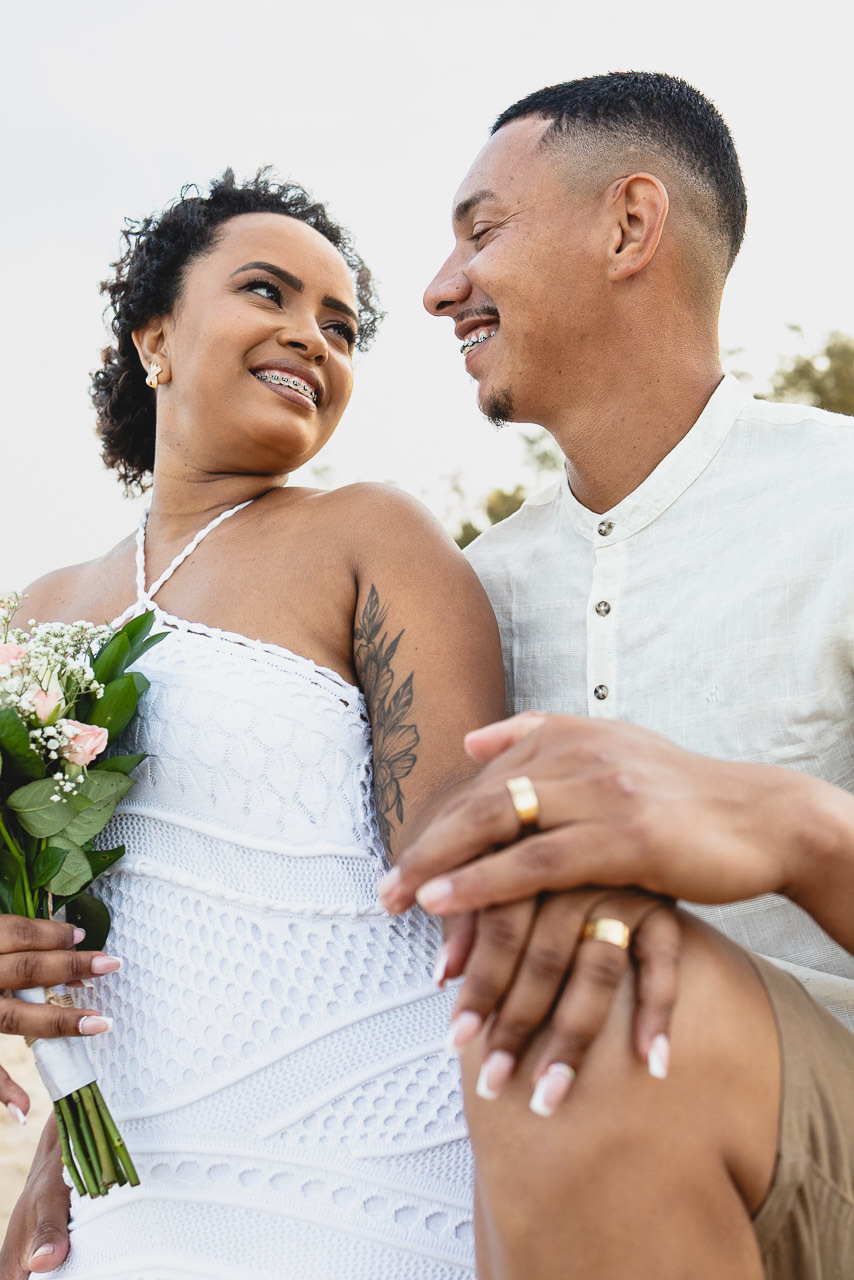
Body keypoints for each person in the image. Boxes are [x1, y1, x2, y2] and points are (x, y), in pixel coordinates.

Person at [0, 168, 676, 1279]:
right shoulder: (43, 607)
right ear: (154, 333)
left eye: (341, 325)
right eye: (267, 293)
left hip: (372, 1180)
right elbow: (54, 908)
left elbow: (458, 855)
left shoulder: (372, 535)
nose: (310, 337)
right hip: (126, 1197)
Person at [375, 71, 854, 1279]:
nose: (438, 288)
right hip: (539, 1185)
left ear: (628, 226)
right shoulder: (465, 595)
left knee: (585, 1030)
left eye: (481, 230)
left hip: (817, 1140)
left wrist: (793, 830)